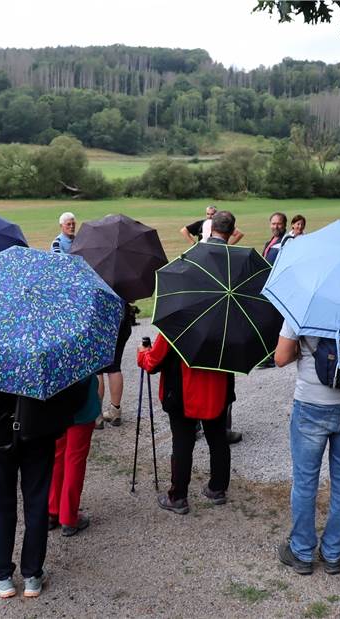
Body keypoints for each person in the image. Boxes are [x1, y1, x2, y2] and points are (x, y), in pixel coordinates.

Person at [0, 380, 90, 599]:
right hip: (38, 428)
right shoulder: (48, 345)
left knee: (1, 504)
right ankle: (32, 574)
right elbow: (71, 392)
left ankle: (2, 574)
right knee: (37, 501)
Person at [273, 321, 340, 576]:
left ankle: (302, 552)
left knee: (305, 481)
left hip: (312, 404)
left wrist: (303, 349)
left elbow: (280, 358)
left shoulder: (305, 304)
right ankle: (333, 553)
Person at [138, 331, 234, 516]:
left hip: (184, 392)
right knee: (218, 439)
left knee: (182, 443)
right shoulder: (226, 323)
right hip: (217, 390)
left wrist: (142, 352)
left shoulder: (177, 324)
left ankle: (178, 496)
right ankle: (217, 488)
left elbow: (152, 362)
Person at [203, 211, 243, 442]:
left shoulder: (193, 254)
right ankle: (221, 429)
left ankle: (199, 423)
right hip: (226, 328)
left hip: (199, 327)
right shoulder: (234, 258)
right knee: (224, 383)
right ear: (231, 231)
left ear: (211, 228)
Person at [48, 374, 100, 536]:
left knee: (56, 458)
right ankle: (69, 516)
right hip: (81, 406)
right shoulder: (84, 350)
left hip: (56, 404)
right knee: (75, 461)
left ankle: (52, 511)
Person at [96, 301, 133, 428]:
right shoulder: (121, 280)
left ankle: (96, 415)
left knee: (97, 369)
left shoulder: (99, 280)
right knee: (115, 366)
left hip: (100, 319)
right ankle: (115, 411)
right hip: (122, 318)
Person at [181, 205, 245, 245]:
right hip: (202, 250)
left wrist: (228, 246)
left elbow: (239, 234)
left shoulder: (222, 223)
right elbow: (184, 230)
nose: (210, 216)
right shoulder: (201, 223)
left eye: (212, 214)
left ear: (217, 214)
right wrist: (193, 244)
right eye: (208, 214)